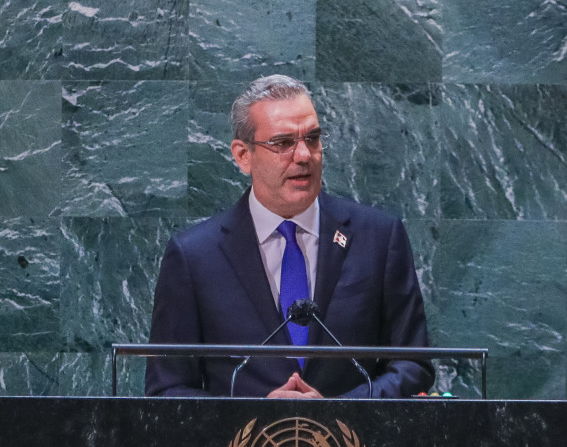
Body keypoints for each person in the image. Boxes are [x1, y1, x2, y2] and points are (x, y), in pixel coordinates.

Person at [145, 75, 433, 399]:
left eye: (312, 138)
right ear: (243, 155)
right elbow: (167, 389)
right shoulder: (195, 257)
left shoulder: (378, 239)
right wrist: (257, 415)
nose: (304, 155)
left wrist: (336, 412)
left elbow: (413, 366)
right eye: (283, 143)